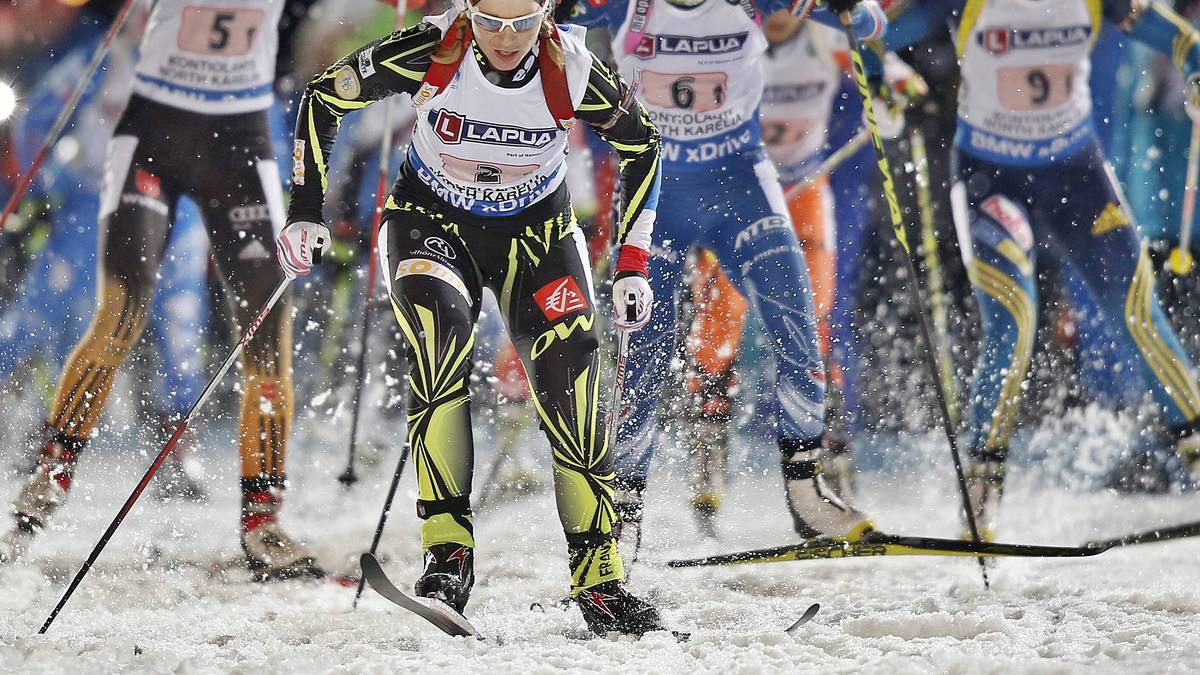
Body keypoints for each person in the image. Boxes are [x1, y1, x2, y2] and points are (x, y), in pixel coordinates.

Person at [277, 0, 665, 635]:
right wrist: (306, 209)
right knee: (439, 344)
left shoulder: (568, 65)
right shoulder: (433, 48)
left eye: (521, 23)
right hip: (430, 223)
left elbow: (643, 144)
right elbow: (326, 95)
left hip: (537, 231)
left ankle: (600, 578)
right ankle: (447, 558)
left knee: (573, 380)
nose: (506, 39)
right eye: (490, 22)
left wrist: (632, 262)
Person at [0, 0, 318, 580]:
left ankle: (262, 522)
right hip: (153, 138)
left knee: (269, 339)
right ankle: (48, 480)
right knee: (120, 316)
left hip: (241, 145)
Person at [560, 0, 888, 555]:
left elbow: (873, 23)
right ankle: (623, 509)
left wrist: (851, 10)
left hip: (739, 181)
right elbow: (535, 26)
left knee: (800, 326)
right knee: (643, 352)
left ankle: (806, 491)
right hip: (652, 189)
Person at [878, 0, 1200, 538]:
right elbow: (862, 27)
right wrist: (886, 74)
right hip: (989, 179)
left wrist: (1195, 71)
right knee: (1014, 321)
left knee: (1138, 314)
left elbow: (1177, 35)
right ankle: (980, 502)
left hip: (1075, 176)